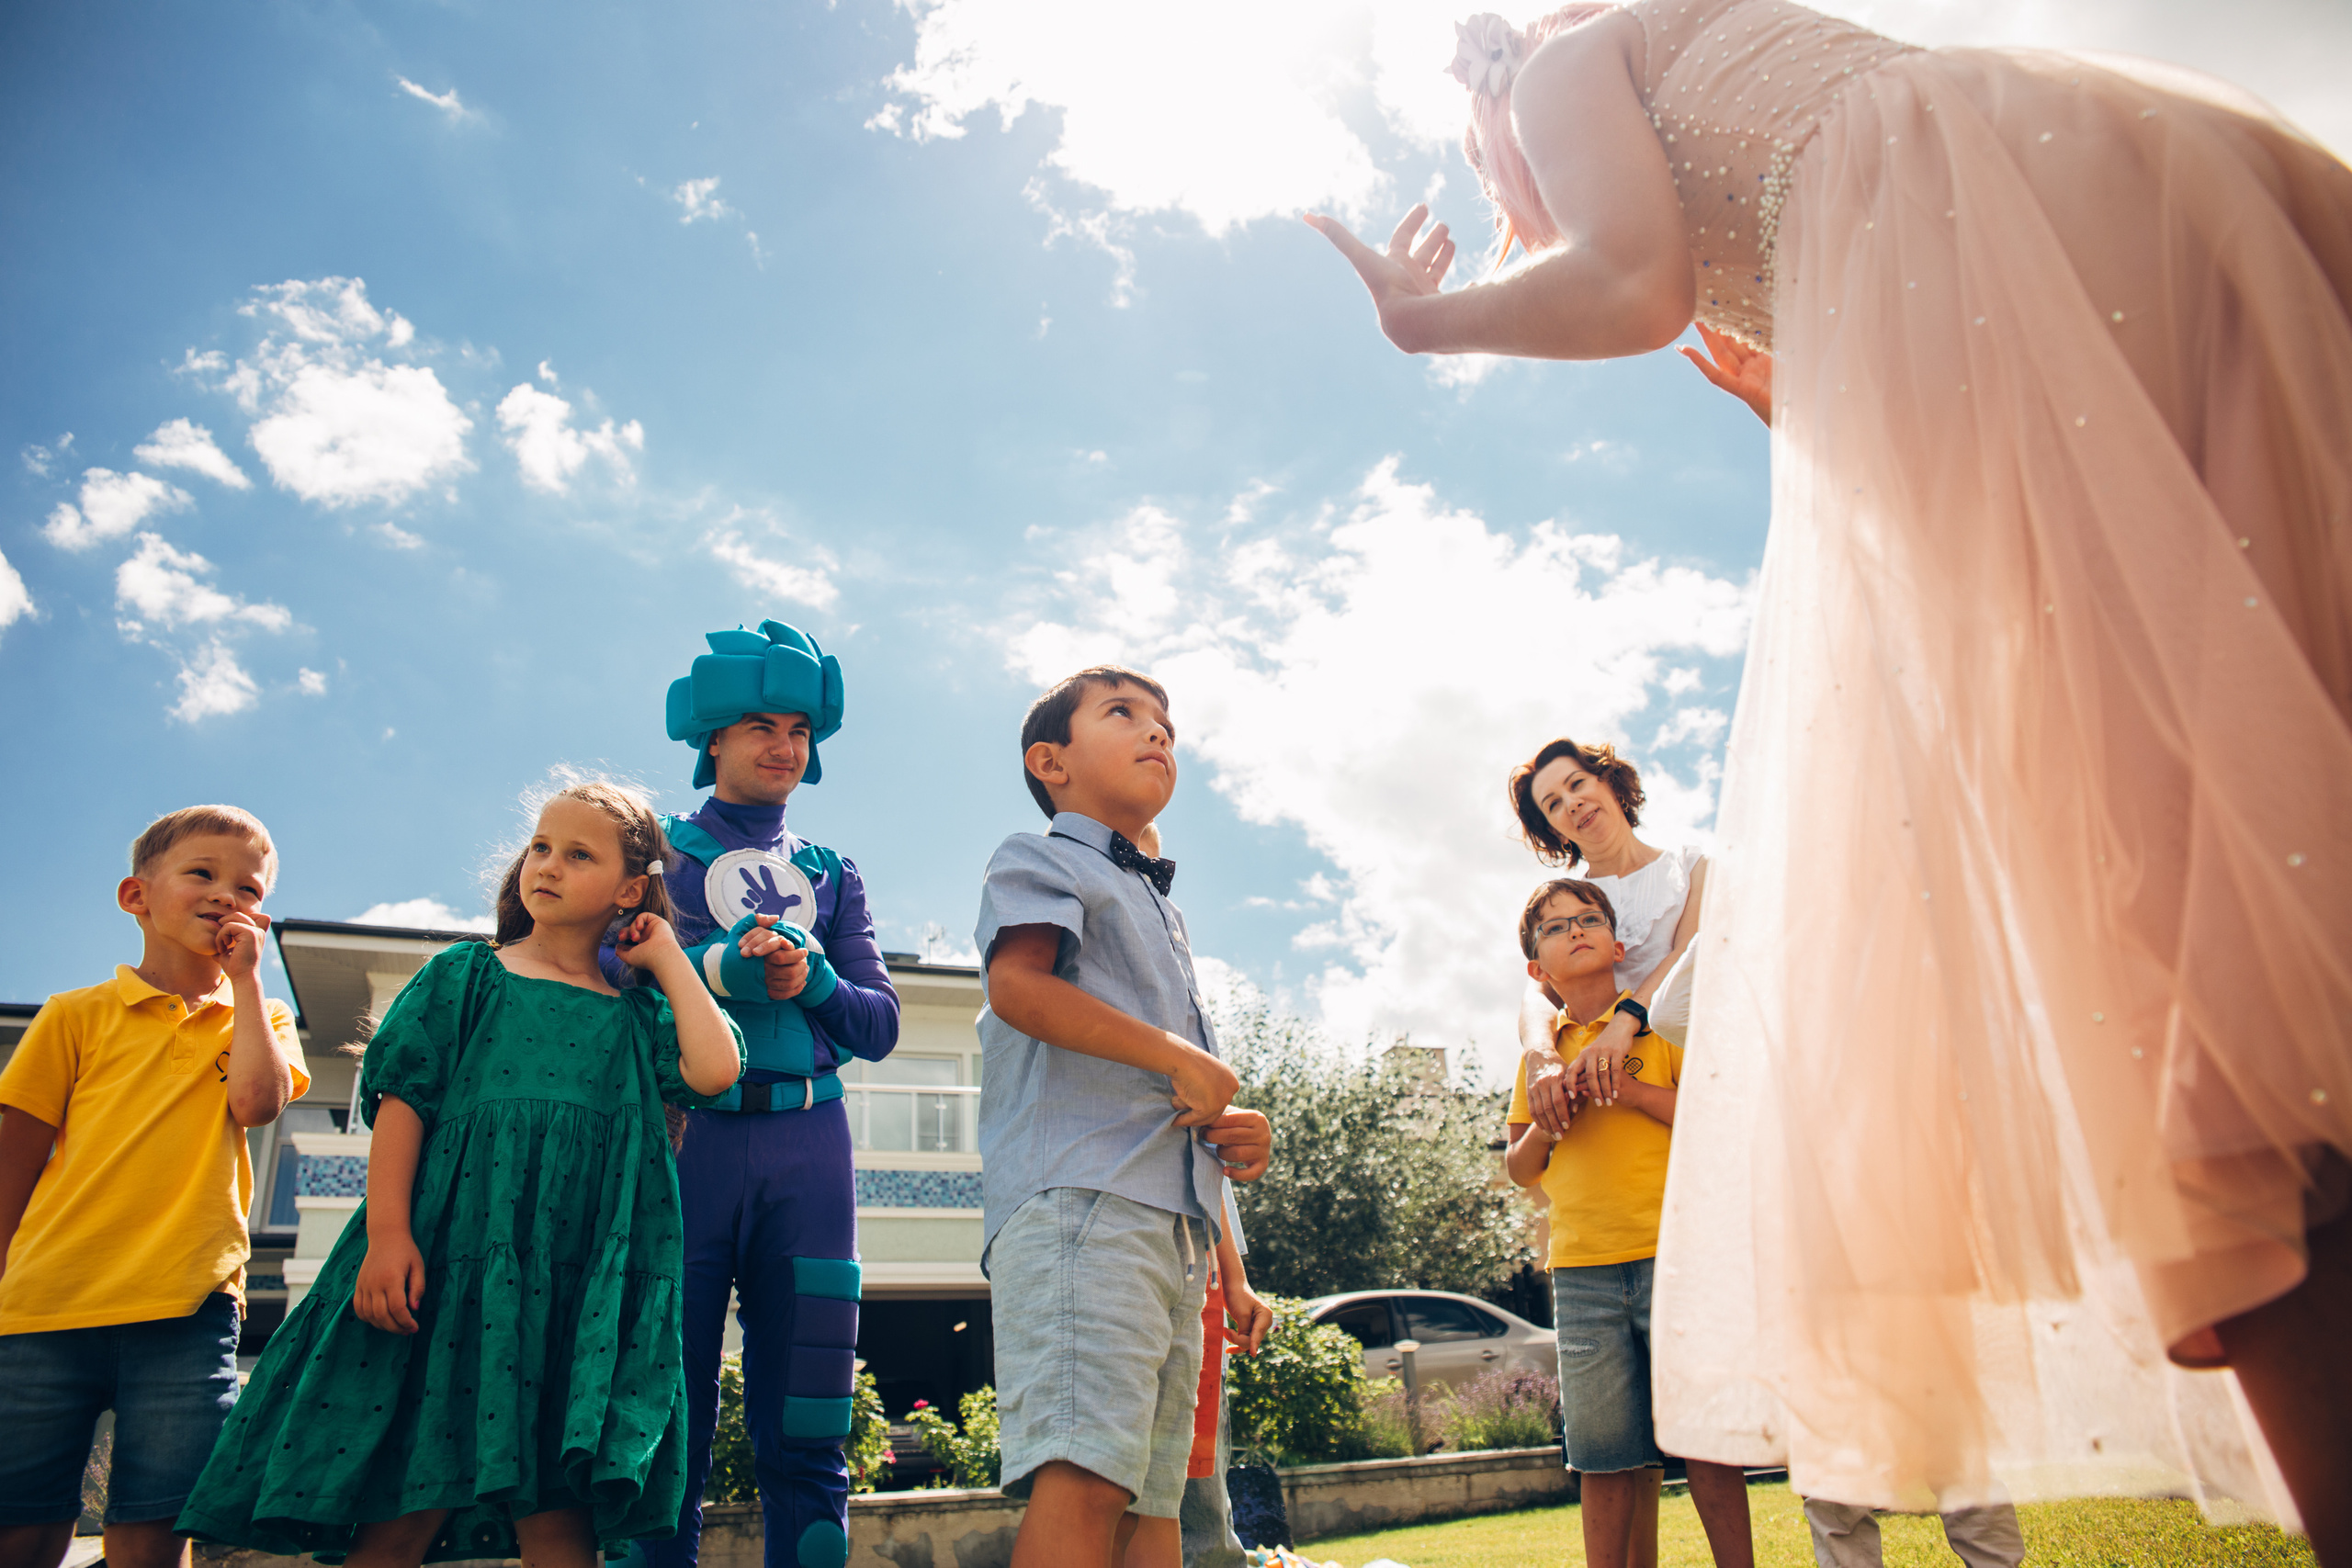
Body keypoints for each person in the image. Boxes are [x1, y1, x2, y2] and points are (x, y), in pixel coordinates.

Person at [1308, 1, 2352, 1547]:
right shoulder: (1820, 176)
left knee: (2156, 845)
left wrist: (1421, 325)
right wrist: (1801, 394)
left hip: (2024, 251)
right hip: (2129, 210)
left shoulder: (1576, 51)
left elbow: (1628, 273)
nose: (1497, 189)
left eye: (1484, 154)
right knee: (2258, 745)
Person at [176, 780, 743, 1568]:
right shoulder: (464, 977)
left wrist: (668, 956)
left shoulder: (635, 1016)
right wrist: (386, 1236)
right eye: (541, 845)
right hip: (446, 1268)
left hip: (569, 1291)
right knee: (410, 1499)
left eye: (578, 854)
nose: (546, 864)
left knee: (558, 1513)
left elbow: (716, 1070)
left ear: (630, 889)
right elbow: (405, 1104)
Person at [976, 666, 1274, 1568]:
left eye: (1167, 723)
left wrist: (1230, 1136)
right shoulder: (1040, 858)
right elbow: (1017, 986)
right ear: (1050, 762)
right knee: (1087, 1477)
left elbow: (1175, 1094)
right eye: (1124, 714)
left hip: (1169, 1229)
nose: (1158, 733)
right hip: (1083, 1207)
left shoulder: (1160, 910)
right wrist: (1181, 1058)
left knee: (1150, 1505)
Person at [626, 619, 901, 1568]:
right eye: (759, 726)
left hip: (810, 1147)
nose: (783, 746)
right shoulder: (650, 854)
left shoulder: (833, 872)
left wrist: (812, 979)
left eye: (797, 728)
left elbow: (878, 1025)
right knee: (659, 1423)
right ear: (713, 737)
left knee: (810, 1420)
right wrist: (722, 971)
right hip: (687, 1147)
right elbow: (610, 991)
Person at [0, 807, 307, 1568]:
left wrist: (244, 980)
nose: (223, 894)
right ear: (136, 895)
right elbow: (14, 1156)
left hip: (188, 1306)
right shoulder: (76, 1015)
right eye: (201, 873)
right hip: (47, 1304)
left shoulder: (259, 1015)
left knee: (155, 1527)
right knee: (24, 1522)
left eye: (246, 886)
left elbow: (257, 1103)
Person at [1503, 878, 1750, 1568]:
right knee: (1603, 1455)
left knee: (1706, 1443)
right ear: (1537, 969)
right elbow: (1522, 1167)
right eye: (1555, 927)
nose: (1575, 929)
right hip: (1582, 1274)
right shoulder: (1540, 1055)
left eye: (1588, 919)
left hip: (1678, 1261)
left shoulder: (1660, 1027)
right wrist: (1553, 1121)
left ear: (1618, 944)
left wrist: (1632, 1090)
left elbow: (1714, 1117)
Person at [1506, 739, 1704, 1135]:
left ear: (1610, 782)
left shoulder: (1693, 866)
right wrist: (1540, 1054)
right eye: (1554, 804)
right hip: (1601, 1093)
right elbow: (1537, 996)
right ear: (1554, 830)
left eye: (1577, 784)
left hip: (1687, 1076)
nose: (1572, 803)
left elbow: (1686, 953)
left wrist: (1621, 1027)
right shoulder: (1567, 903)